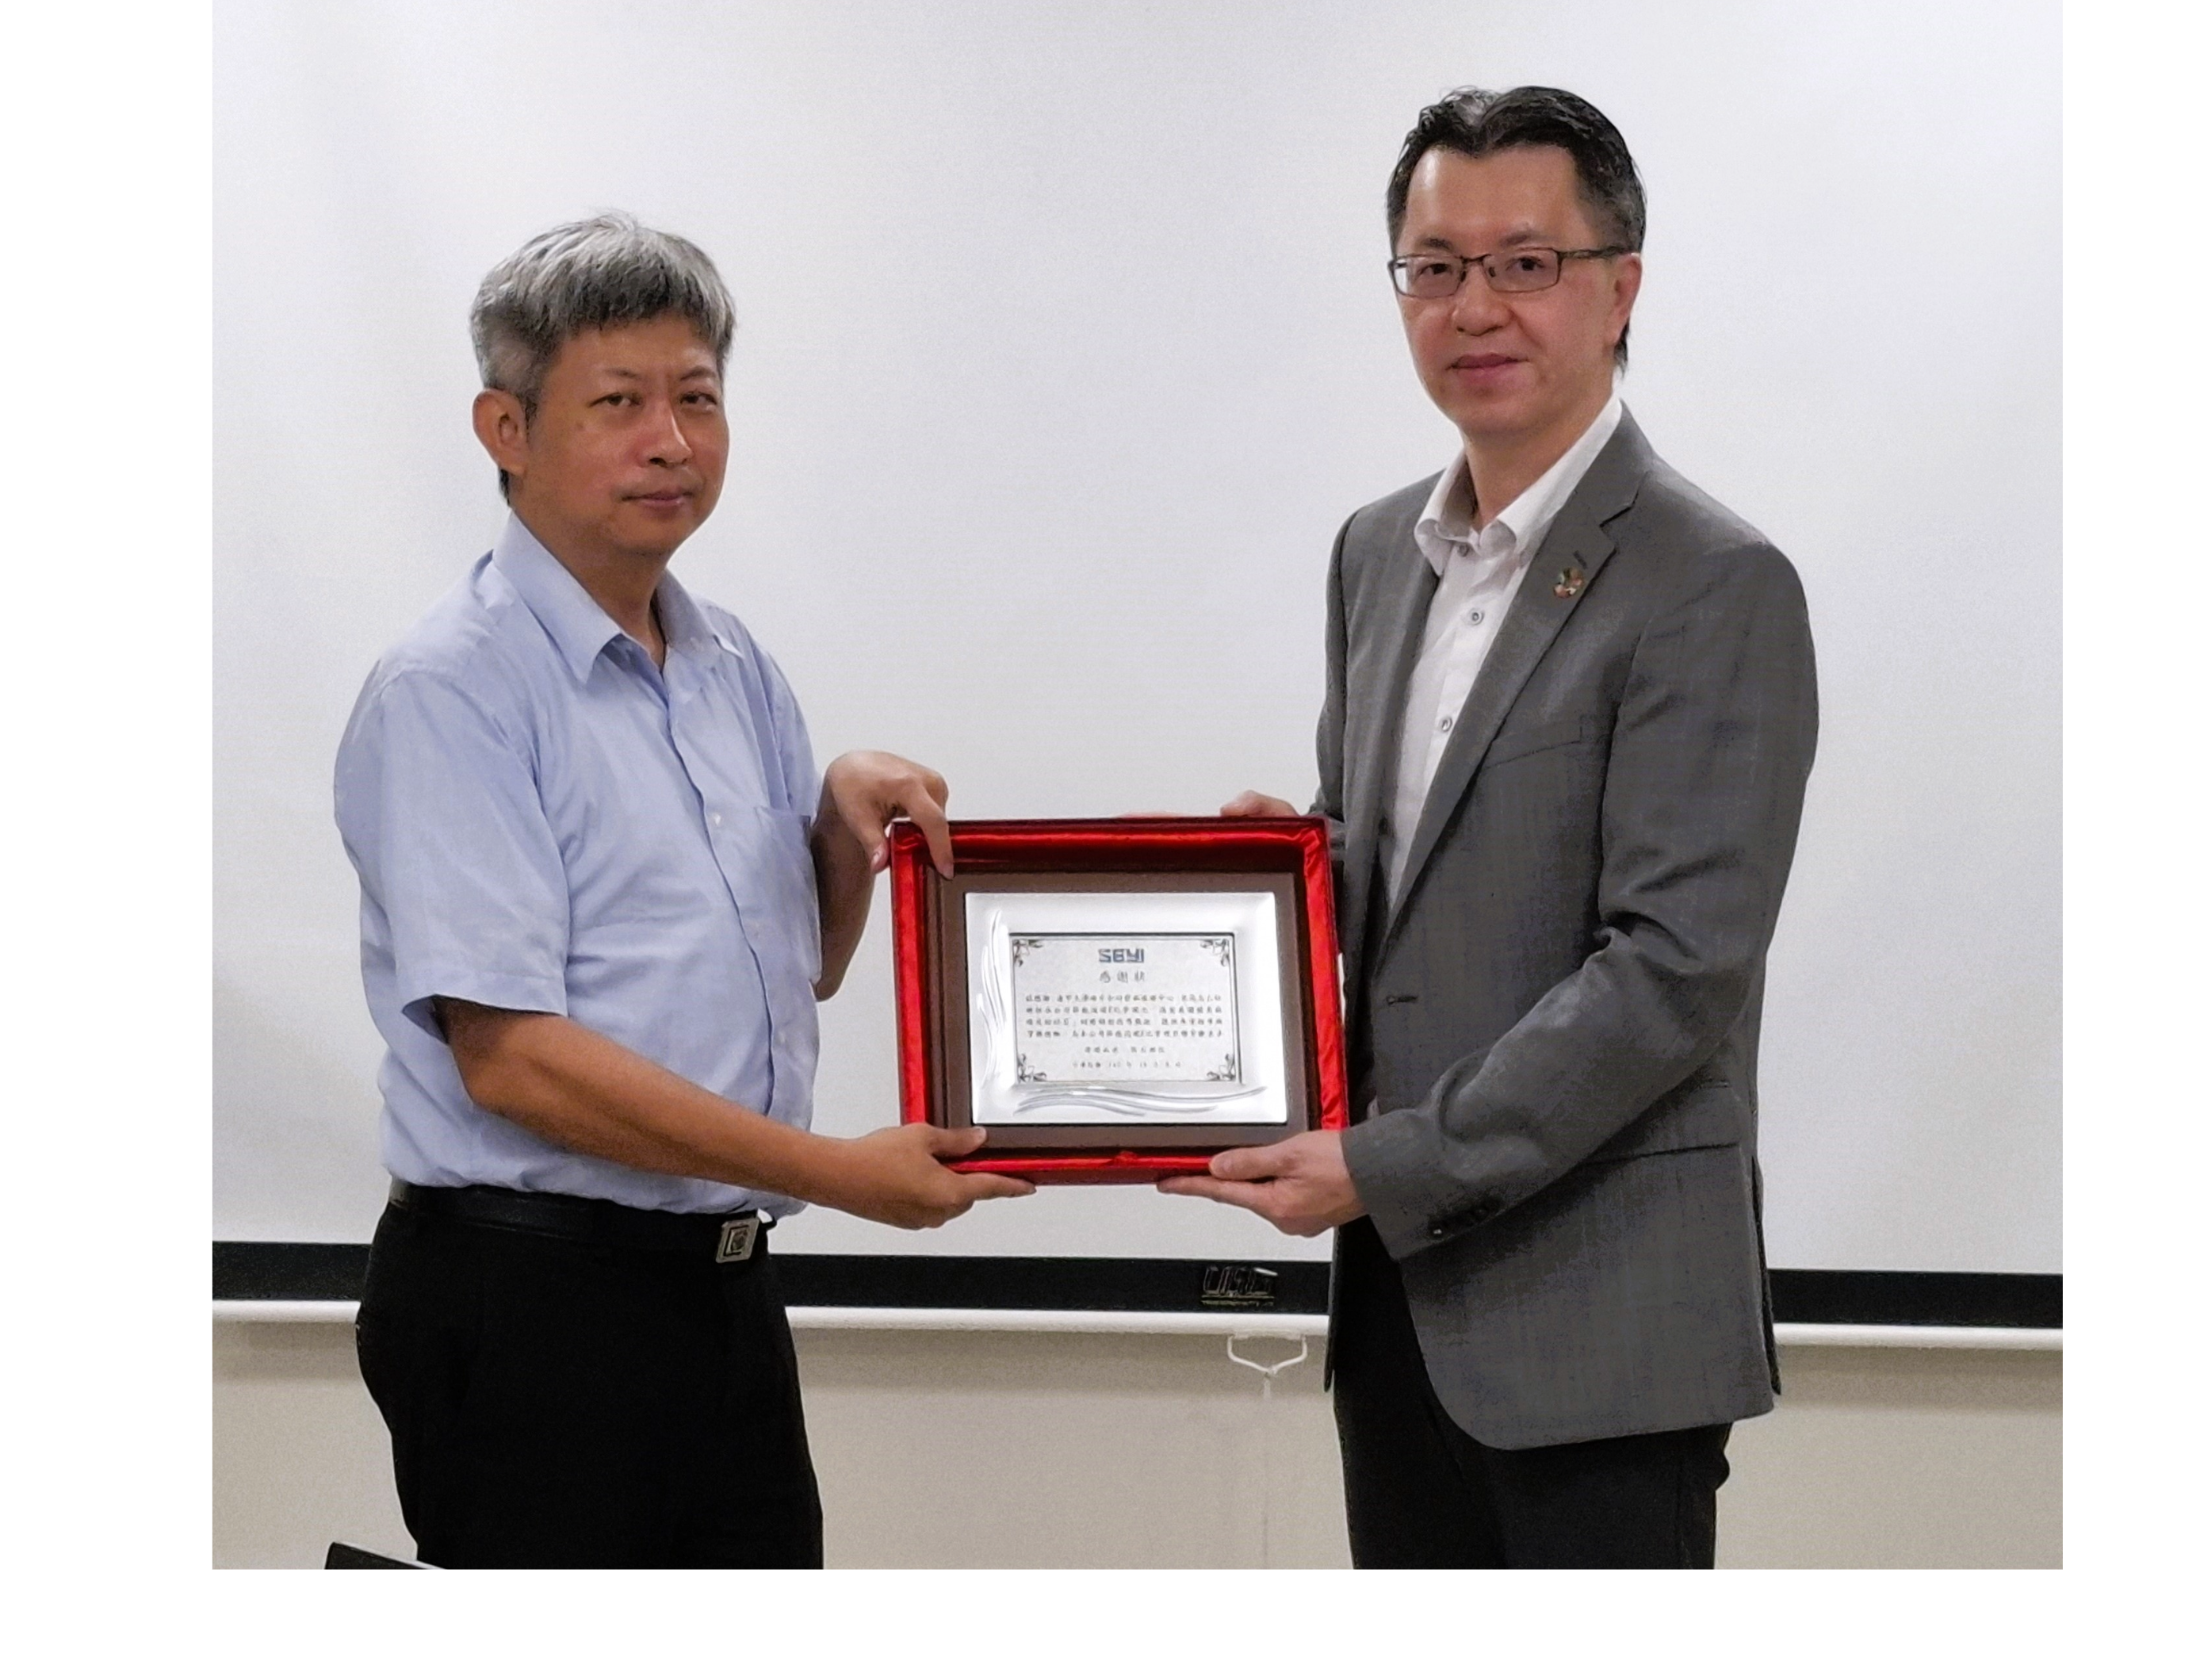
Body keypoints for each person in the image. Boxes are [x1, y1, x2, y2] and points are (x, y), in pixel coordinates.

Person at [1163, 89, 1818, 1569]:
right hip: (1399, 1307)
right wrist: (1297, 878)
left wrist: (1383, 1167)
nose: (1476, 306)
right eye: (1433, 266)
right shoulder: (1375, 552)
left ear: (1619, 286)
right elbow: (1429, 876)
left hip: (1598, 1324)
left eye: (1525, 263)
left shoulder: (1713, 581)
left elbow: (1671, 967)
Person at [335, 214, 1032, 1569]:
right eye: (619, 402)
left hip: (714, 1294)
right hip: (528, 1297)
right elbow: (514, 1062)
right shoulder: (454, 688)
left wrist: (837, 830)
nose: (673, 438)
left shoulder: (730, 664)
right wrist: (834, 1175)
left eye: (698, 397)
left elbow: (793, 971)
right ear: (506, 428)